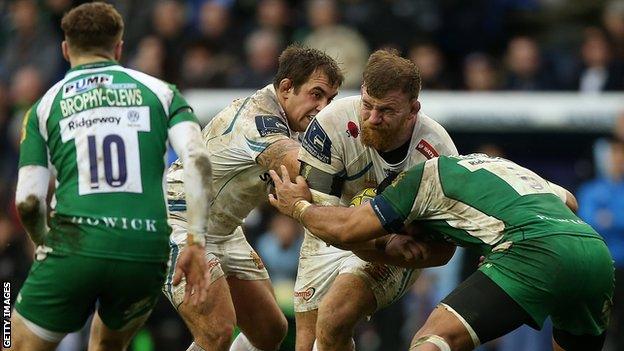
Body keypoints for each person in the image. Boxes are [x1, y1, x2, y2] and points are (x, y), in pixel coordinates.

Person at [12, 3, 213, 351]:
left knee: (12, 340)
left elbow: (27, 201)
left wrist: (43, 240)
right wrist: (195, 240)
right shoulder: (163, 92)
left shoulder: (44, 106)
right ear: (119, 48)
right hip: (145, 249)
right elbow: (197, 160)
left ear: (65, 49)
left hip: (75, 245)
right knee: (108, 345)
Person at [269, 153, 614, 351]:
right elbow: (569, 199)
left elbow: (345, 230)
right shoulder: (497, 168)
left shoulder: (415, 182)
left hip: (533, 249)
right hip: (593, 250)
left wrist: (297, 206)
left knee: (433, 340)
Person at [164, 45, 343, 351]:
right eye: (317, 94)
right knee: (217, 332)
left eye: (330, 99)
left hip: (225, 229)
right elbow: (299, 166)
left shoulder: (295, 122)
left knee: (270, 331)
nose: (323, 107)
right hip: (179, 222)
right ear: (286, 87)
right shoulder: (259, 119)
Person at [293, 49, 458, 351]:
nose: (372, 118)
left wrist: (387, 249)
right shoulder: (330, 124)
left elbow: (443, 253)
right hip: (350, 235)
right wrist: (379, 241)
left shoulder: (438, 154)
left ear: (413, 109)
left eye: (386, 111)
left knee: (334, 316)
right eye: (366, 105)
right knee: (306, 344)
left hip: (394, 252)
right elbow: (320, 222)